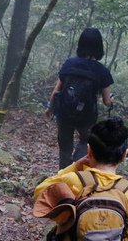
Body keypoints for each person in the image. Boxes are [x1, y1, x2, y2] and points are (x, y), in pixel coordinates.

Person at [48, 28, 115, 169]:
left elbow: (56, 91)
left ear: (81, 44)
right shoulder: (102, 71)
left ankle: (63, 175)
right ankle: (77, 170)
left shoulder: (69, 63)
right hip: (87, 117)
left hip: (64, 114)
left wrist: (50, 108)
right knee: (85, 141)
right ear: (99, 46)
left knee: (65, 148)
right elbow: (106, 101)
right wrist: (111, 101)